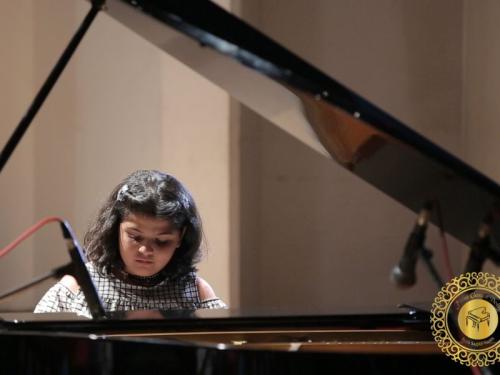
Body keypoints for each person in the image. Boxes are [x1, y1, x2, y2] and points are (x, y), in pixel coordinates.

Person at [34, 170, 226, 317]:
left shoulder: (197, 293)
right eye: (135, 237)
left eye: (161, 241)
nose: (145, 250)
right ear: (116, 228)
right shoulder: (76, 287)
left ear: (181, 237)